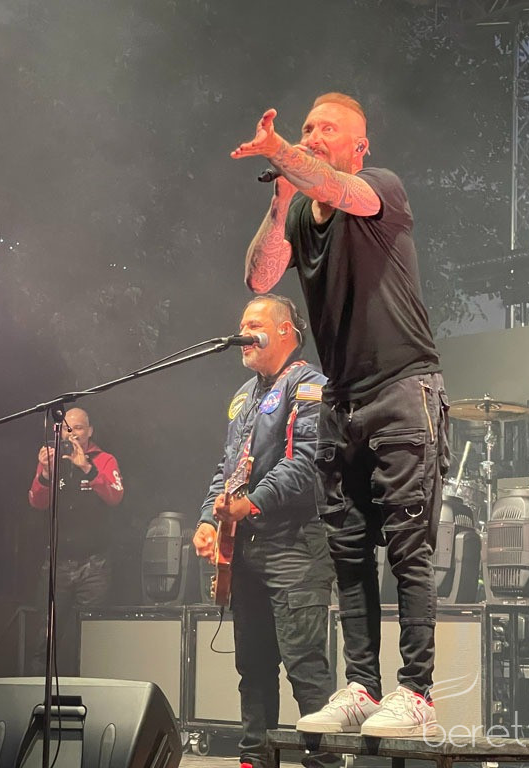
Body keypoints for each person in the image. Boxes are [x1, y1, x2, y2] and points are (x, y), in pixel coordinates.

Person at [231, 93, 449, 738]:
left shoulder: (380, 188)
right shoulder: (301, 209)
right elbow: (262, 276)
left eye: (328, 128)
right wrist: (279, 199)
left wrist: (283, 151)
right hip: (342, 397)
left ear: (360, 146)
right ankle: (363, 685)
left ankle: (417, 691)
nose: (313, 134)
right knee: (349, 549)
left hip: (403, 387)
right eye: (307, 127)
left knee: (407, 544)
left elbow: (333, 186)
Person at [193, 295, 336, 768]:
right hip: (247, 549)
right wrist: (208, 519)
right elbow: (226, 467)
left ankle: (323, 762)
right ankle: (254, 759)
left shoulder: (310, 385)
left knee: (305, 667)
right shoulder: (242, 396)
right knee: (252, 668)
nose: (242, 332)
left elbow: (307, 463)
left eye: (253, 324)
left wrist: (250, 503)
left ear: (284, 331)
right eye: (241, 323)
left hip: (296, 545)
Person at [27, 406, 123, 675]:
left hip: (94, 566)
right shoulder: (52, 459)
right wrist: (46, 474)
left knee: (91, 639)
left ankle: (89, 695)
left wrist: (87, 468)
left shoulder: (104, 459)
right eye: (67, 428)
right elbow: (36, 502)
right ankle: (39, 694)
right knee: (46, 637)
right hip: (58, 564)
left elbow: (115, 496)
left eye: (79, 428)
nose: (73, 434)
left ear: (90, 431)